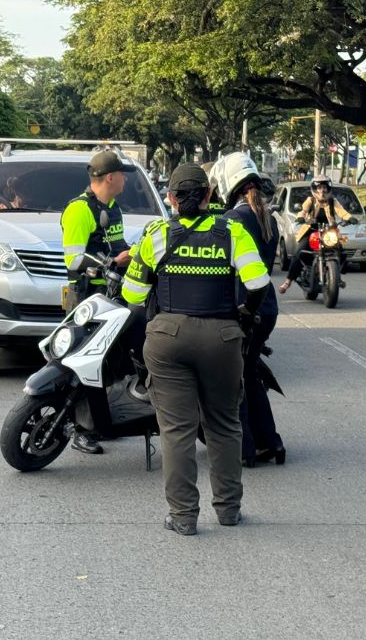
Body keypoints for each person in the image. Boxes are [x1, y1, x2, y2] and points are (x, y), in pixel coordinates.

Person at [121, 164, 270, 536]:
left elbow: (132, 295)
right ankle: (229, 510)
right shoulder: (231, 231)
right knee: (223, 424)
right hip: (222, 338)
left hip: (168, 337)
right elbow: (259, 283)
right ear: (208, 196)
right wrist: (245, 315)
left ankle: (184, 516)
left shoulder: (156, 234)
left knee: (176, 430)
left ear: (171, 199)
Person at [210, 153, 285, 467]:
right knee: (250, 375)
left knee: (235, 380)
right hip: (266, 307)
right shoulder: (266, 215)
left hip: (244, 309)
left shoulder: (233, 220)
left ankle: (246, 449)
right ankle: (271, 442)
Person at [60, 150, 135, 454]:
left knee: (112, 362)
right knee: (83, 363)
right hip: (89, 297)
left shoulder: (113, 207)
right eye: (122, 174)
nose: (125, 180)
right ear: (109, 178)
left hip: (115, 295)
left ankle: (103, 422)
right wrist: (112, 261)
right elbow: (73, 259)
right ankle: (80, 430)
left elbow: (116, 243)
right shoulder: (80, 210)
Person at [279, 175, 354, 294]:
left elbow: (341, 211)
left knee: (340, 249)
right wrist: (300, 218)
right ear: (315, 189)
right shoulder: (310, 200)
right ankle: (288, 281)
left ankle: (336, 276)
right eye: (319, 187)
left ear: (328, 188)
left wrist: (349, 217)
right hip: (311, 231)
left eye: (324, 187)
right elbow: (303, 211)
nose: (322, 190)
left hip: (329, 231)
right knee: (300, 253)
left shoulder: (332, 201)